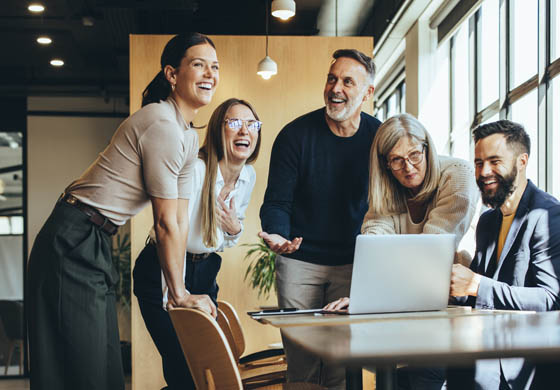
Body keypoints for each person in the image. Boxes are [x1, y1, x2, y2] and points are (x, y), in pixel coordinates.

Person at [26, 32, 219, 390]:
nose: (209, 73)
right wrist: (177, 294)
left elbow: (178, 219)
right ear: (172, 74)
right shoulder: (161, 124)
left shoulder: (188, 137)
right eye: (198, 64)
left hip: (96, 237)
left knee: (104, 366)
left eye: (214, 67)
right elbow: (163, 223)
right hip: (72, 236)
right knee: (80, 368)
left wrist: (179, 293)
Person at [323, 113, 479, 390]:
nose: (408, 167)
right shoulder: (387, 189)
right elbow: (374, 244)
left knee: (424, 378)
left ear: (427, 148)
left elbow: (432, 250)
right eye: (396, 160)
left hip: (446, 307)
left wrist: (373, 294)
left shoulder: (458, 175)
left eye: (414, 155)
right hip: (404, 309)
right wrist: (362, 297)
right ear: (385, 164)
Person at [259, 48, 381, 389]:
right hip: (300, 262)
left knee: (343, 366)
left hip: (354, 263)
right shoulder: (294, 136)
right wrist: (278, 235)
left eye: (347, 81)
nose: (336, 88)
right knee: (303, 366)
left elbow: (391, 204)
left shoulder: (379, 138)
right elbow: (277, 203)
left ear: (367, 93)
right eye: (331, 79)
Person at [133, 98, 261, 389]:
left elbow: (226, 238)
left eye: (252, 124)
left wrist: (234, 228)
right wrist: (174, 294)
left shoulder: (247, 176)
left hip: (205, 271)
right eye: (234, 123)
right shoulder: (197, 170)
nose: (245, 131)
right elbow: (172, 232)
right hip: (163, 269)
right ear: (218, 130)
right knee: (184, 369)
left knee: (205, 369)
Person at [447, 120, 560, 390]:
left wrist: (476, 284)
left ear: (522, 161)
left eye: (494, 161)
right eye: (478, 162)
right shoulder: (488, 221)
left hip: (526, 362)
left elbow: (550, 298)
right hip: (485, 347)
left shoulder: (547, 216)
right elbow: (476, 290)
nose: (484, 171)